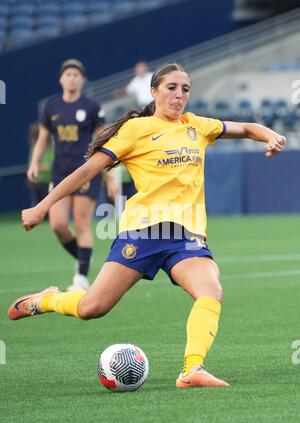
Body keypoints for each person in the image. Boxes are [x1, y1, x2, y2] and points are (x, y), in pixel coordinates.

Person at [8, 63, 286, 388]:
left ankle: (191, 370)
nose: (179, 95)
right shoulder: (136, 130)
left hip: (186, 237)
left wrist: (272, 136)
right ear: (154, 92)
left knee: (211, 291)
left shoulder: (197, 126)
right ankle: (47, 299)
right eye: (171, 88)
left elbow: (248, 127)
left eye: (185, 89)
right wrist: (42, 207)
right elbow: (86, 172)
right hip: (143, 233)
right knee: (91, 307)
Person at [27, 58, 118, 291]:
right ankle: (84, 258)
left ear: (82, 79)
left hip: (86, 171)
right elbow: (42, 140)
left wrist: (110, 176)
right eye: (67, 74)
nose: (72, 78)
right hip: (60, 172)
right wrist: (34, 163)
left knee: (81, 222)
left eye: (76, 75)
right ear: (61, 79)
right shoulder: (51, 107)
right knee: (57, 225)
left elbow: (105, 142)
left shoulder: (92, 107)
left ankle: (81, 277)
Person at [27, 122, 54, 206]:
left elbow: (54, 165)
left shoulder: (54, 147)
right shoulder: (34, 150)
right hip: (39, 183)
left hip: (53, 182)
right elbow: (32, 165)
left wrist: (44, 166)